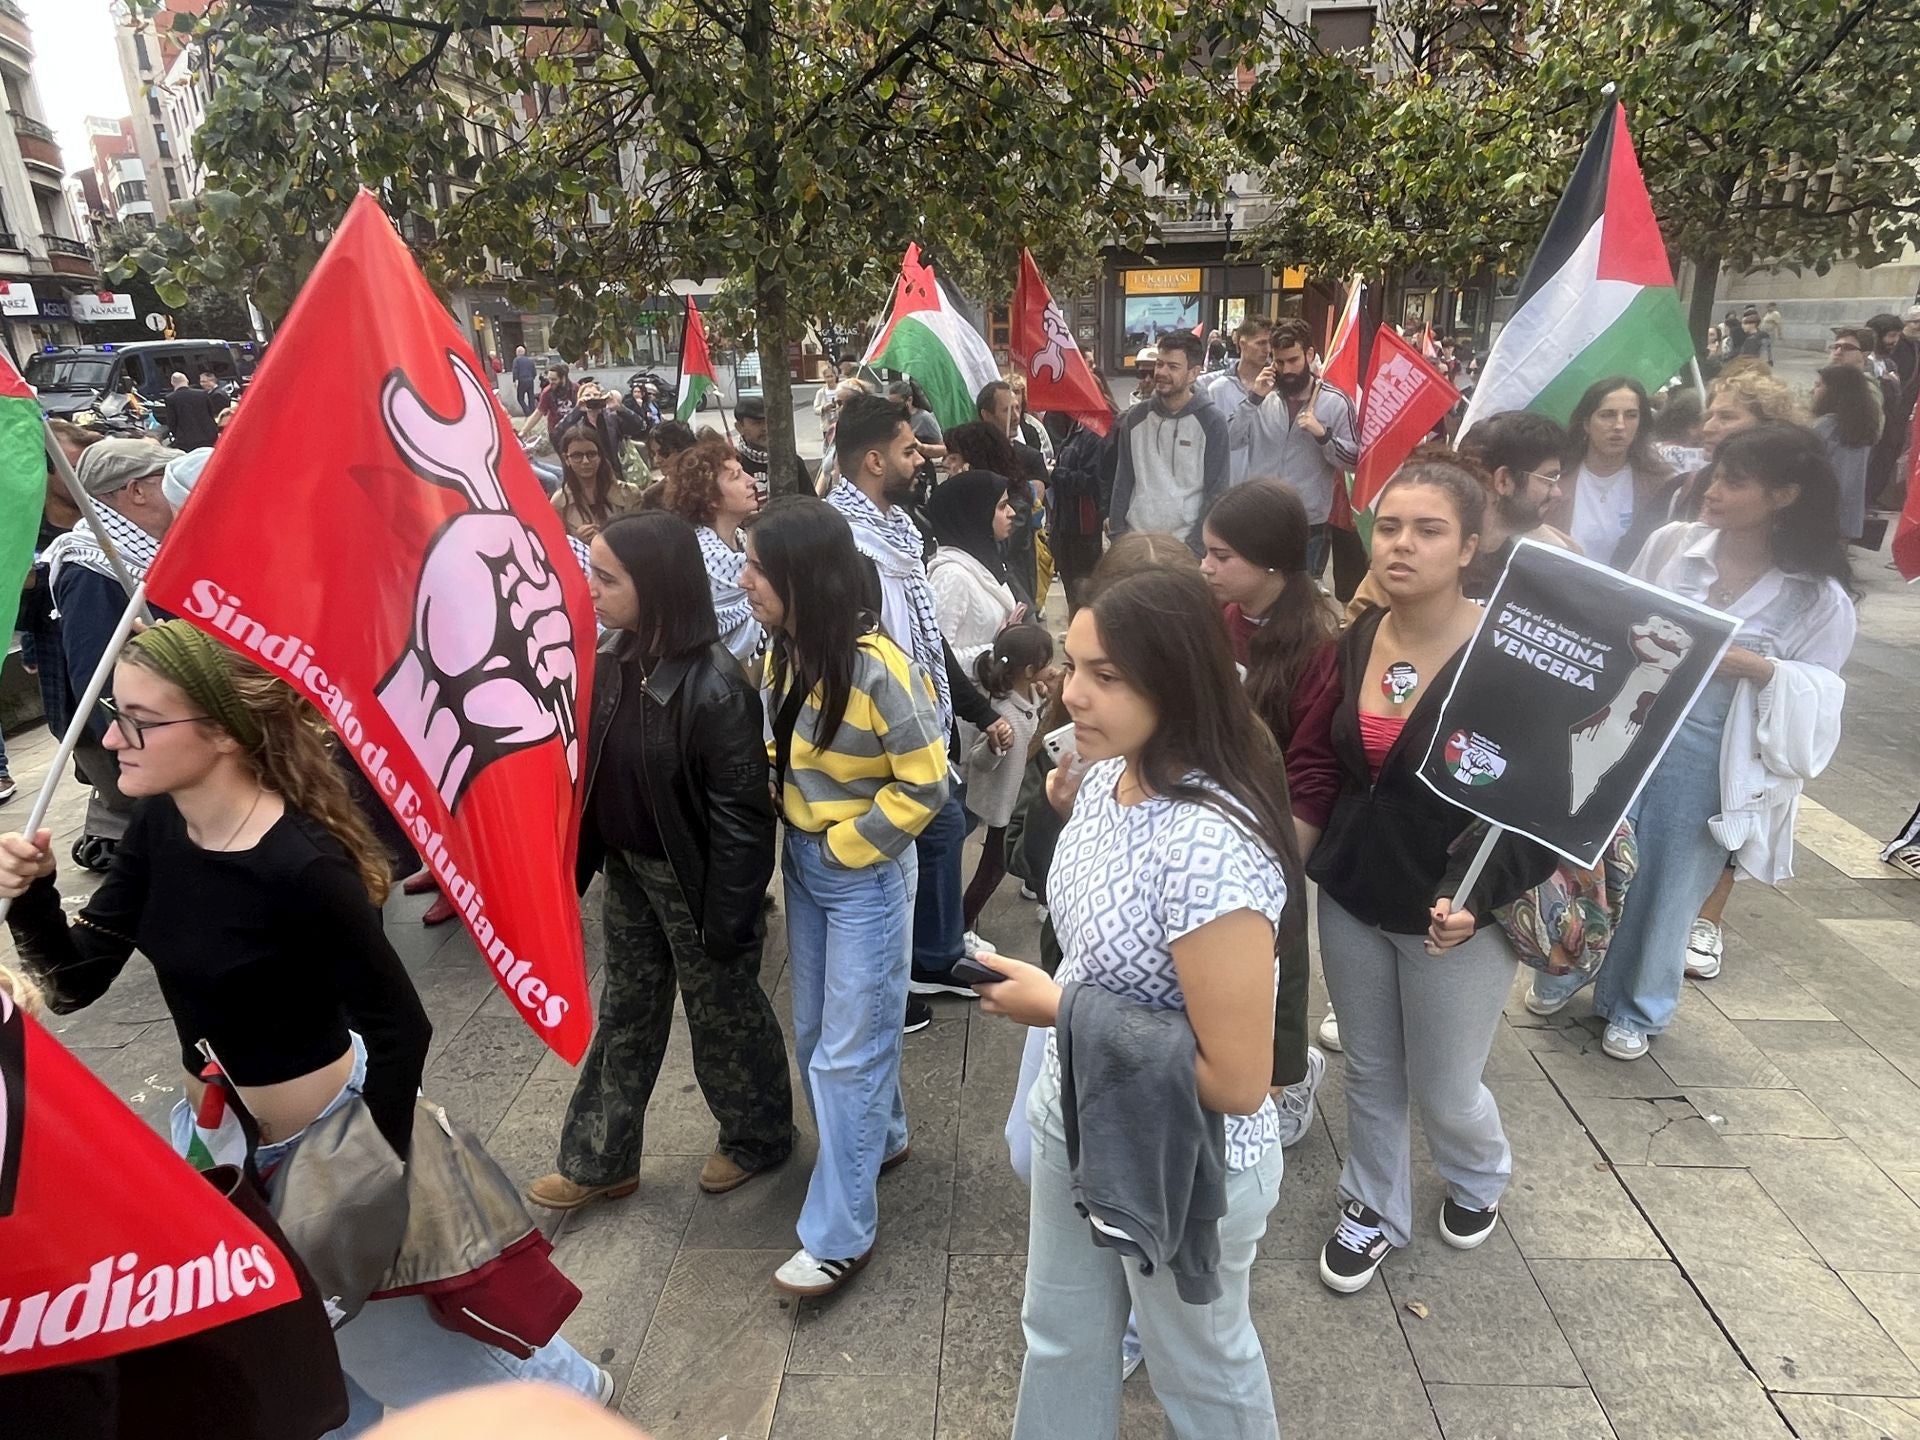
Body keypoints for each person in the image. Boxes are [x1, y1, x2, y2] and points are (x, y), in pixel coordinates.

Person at [0, 620, 609, 1425]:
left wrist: (370, 1181)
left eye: (140, 720)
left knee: (402, 1344)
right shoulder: (156, 827)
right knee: (301, 1352)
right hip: (216, 1141)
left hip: (326, 1145)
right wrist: (34, 896)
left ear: (220, 732)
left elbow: (401, 1029)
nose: (112, 734)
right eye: (117, 710)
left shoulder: (302, 864)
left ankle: (569, 1403)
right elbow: (78, 981)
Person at [974, 566, 1295, 1439]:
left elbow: (1237, 1080)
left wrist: (1060, 1009)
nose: (1071, 692)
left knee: (1200, 1365)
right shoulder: (1110, 778)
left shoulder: (1210, 845)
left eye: (1106, 676)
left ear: (1178, 677)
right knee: (1060, 1337)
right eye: (1073, 665)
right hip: (1075, 1108)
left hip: (1187, 1153)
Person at [1305, 452, 1556, 1294]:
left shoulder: (1510, 658)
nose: (1401, 544)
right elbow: (1328, 766)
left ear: (1472, 544)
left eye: (1429, 529)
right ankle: (1373, 1205)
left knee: (1447, 1087)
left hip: (1455, 915)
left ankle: (1480, 1174)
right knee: (1371, 1069)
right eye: (1389, 526)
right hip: (1351, 894)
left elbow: (1548, 807)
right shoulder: (1355, 641)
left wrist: (1481, 902)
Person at [1527, 426, 1857, 1059]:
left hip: (1713, 751)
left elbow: (1823, 690)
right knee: (1589, 854)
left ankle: (1637, 1004)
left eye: (1735, 481)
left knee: (1673, 881)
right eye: (1716, 473)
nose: (1714, 490)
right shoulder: (1674, 547)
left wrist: (1759, 669)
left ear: (1784, 495)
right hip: (1631, 725)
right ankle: (1561, 966)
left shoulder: (1817, 598)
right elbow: (1621, 613)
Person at [528, 513, 792, 1212]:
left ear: (657, 585)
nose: (592, 587)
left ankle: (759, 1136)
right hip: (628, 869)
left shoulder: (714, 687)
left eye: (607, 577)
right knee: (625, 1011)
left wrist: (731, 916)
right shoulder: (612, 660)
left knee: (723, 1011)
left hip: (695, 878)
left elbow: (742, 817)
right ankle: (601, 1159)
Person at [740, 496, 949, 1296]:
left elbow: (927, 783)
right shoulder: (783, 650)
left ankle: (840, 1233)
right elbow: (778, 743)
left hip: (861, 875)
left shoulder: (876, 668)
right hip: (807, 866)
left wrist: (846, 845)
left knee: (845, 1054)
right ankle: (883, 1137)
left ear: (804, 575)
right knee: (822, 1035)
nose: (746, 579)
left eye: (760, 566)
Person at [827, 395, 1008, 1007]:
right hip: (876, 734)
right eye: (910, 452)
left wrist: (976, 712)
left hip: (919, 719)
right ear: (875, 462)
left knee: (941, 828)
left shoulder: (902, 532)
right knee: (922, 839)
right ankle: (904, 973)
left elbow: (925, 639)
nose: (922, 461)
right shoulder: (844, 543)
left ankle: (932, 956)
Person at [1197, 478, 1335, 1129]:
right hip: (1212, 821)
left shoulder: (1319, 644)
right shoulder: (1219, 621)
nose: (1206, 567)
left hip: (1276, 838)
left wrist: (1281, 867)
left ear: (1273, 561)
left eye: (1222, 556)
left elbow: (1312, 770)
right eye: (1206, 552)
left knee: (1277, 969)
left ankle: (1290, 1075)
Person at [45, 439, 182, 873]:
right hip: (144, 742)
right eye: (167, 481)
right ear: (137, 491)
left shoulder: (140, 555)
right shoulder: (94, 567)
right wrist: (145, 749)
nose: (179, 493)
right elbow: (98, 679)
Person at [1349, 411, 1572, 615]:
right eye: (1549, 478)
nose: (1557, 493)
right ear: (1503, 481)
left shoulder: (1556, 558)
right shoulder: (1410, 561)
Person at [1215, 319, 1361, 572]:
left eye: (1293, 360)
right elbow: (1230, 440)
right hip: (1260, 514)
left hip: (1307, 521)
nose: (1287, 369)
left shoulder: (1336, 402)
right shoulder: (1263, 395)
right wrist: (1253, 400)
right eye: (1279, 362)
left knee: (1301, 596)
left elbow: (1353, 460)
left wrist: (1323, 436)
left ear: (1310, 355)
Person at [960, 623, 1054, 936]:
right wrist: (994, 746)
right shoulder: (1002, 712)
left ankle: (1037, 890)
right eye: (1046, 664)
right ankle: (962, 924)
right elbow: (978, 763)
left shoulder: (1031, 696)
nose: (1051, 669)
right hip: (1006, 805)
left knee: (1030, 848)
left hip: (1021, 798)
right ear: (1029, 670)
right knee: (992, 869)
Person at [1107, 330, 1230, 553]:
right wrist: (1118, 538)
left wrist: (1195, 549)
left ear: (1193, 373)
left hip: (1184, 550)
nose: (1161, 372)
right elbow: (1122, 481)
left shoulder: (1212, 421)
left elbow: (1217, 492)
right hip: (1136, 546)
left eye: (1172, 367)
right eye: (1160, 364)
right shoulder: (1133, 418)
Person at [660, 434, 766, 666]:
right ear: (711, 498)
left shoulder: (743, 540)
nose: (751, 481)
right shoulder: (702, 558)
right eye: (736, 477)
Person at [1552, 375, 1674, 568]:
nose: (1619, 425)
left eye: (1631, 415)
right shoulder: (1555, 476)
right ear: (1586, 424)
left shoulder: (1659, 482)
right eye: (1607, 415)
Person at [926, 468, 1020, 671]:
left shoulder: (984, 560)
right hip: (970, 698)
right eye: (1002, 506)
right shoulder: (951, 575)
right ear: (976, 513)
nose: (1012, 512)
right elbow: (938, 659)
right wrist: (999, 652)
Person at [1201, 314, 1276, 487]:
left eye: (1269, 343)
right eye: (1260, 343)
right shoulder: (1219, 389)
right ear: (1242, 343)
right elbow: (1217, 443)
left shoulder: (1278, 388)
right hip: (1230, 489)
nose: (1267, 349)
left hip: (1268, 490)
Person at [1811, 364, 1879, 543]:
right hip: (1850, 510)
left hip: (1822, 507)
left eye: (1819, 385)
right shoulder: (1863, 427)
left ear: (1834, 392)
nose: (1813, 390)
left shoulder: (1826, 425)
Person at [552, 425, 642, 537]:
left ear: (600, 456)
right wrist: (577, 541)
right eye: (577, 456)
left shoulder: (629, 493)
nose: (585, 461)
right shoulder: (559, 503)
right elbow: (558, 546)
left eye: (591, 454)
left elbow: (641, 536)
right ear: (566, 459)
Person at [160, 372, 221, 451]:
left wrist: (177, 435)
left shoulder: (170, 398)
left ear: (172, 383)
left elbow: (172, 421)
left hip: (186, 439)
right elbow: (211, 413)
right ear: (187, 381)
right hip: (208, 435)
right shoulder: (202, 394)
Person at [732, 395, 772, 503]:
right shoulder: (733, 466)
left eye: (768, 421)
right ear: (740, 427)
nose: (765, 428)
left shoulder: (791, 462)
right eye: (757, 423)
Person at [535, 364, 579, 439]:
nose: (551, 382)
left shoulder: (576, 389)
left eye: (554, 379)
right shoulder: (547, 392)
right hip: (556, 432)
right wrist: (523, 431)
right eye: (549, 379)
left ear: (563, 378)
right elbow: (539, 412)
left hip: (575, 431)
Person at [512, 345, 538, 415]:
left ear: (517, 352)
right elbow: (534, 372)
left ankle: (527, 411)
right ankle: (532, 412)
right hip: (530, 380)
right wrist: (532, 377)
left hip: (521, 381)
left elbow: (515, 370)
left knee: (520, 398)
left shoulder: (516, 360)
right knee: (531, 397)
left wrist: (515, 380)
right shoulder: (530, 360)